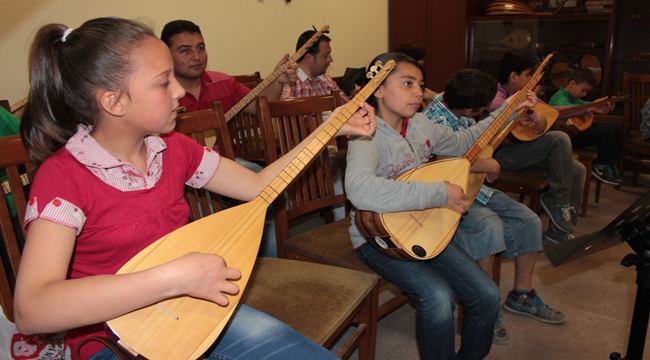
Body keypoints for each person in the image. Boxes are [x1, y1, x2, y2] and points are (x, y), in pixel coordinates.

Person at [13, 17, 376, 360]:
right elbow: (32, 309)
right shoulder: (64, 176)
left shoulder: (172, 146)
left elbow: (257, 186)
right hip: (111, 342)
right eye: (163, 81)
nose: (177, 91)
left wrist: (330, 130)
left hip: (186, 309)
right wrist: (171, 278)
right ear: (114, 101)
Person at [345, 52, 534, 359]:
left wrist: (509, 112)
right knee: (438, 297)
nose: (418, 92)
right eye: (407, 83)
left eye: (420, 84)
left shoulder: (420, 124)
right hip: (376, 237)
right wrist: (438, 194)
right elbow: (360, 190)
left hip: (424, 228)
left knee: (486, 295)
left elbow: (464, 143)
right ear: (377, 89)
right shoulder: (366, 135)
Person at [422, 68, 567, 345]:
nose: (481, 114)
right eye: (480, 110)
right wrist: (487, 164)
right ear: (468, 108)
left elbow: (481, 132)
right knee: (488, 227)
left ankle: (521, 295)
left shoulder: (451, 102)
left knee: (528, 220)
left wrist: (516, 111)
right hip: (449, 194)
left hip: (475, 186)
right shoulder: (435, 118)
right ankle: (483, 306)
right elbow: (444, 161)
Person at [161, 19, 298, 257]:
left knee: (272, 192)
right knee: (201, 212)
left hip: (227, 164)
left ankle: (270, 268)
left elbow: (259, 105)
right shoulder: (161, 94)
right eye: (185, 50)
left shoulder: (222, 82)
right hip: (182, 177)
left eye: (200, 47)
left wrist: (278, 80)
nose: (196, 56)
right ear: (167, 55)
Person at [487, 52, 586, 244]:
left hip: (523, 153)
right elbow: (497, 106)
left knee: (577, 170)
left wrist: (589, 108)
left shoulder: (525, 94)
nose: (531, 80)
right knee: (558, 139)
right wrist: (533, 115)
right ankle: (556, 203)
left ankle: (561, 232)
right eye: (528, 75)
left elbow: (552, 111)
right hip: (502, 156)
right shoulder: (496, 91)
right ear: (514, 76)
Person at [548, 68, 623, 185]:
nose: (584, 95)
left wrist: (598, 105)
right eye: (583, 90)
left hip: (574, 133)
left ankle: (612, 164)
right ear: (572, 83)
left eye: (587, 92)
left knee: (615, 127)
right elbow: (567, 109)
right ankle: (600, 166)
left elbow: (585, 104)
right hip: (565, 138)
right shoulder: (559, 97)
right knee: (605, 131)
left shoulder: (574, 98)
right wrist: (591, 107)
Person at [280, 29, 350, 104]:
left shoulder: (326, 79)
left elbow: (349, 107)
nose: (330, 59)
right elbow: (285, 111)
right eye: (326, 56)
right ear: (309, 58)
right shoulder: (289, 83)